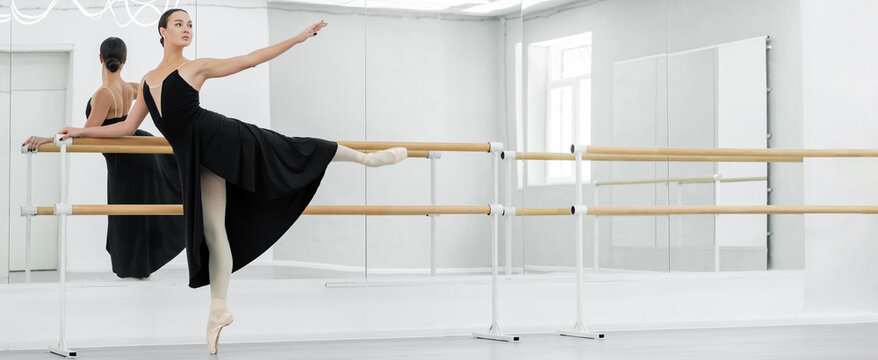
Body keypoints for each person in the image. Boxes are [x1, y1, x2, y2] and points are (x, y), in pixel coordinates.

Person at [56, 9, 407, 355]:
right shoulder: (146, 82)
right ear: (162, 31)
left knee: (289, 148)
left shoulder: (196, 67)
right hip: (197, 160)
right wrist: (81, 130)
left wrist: (297, 39)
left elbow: (250, 59)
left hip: (225, 139)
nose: (186, 29)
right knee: (212, 230)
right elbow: (127, 128)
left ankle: (367, 159)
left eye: (190, 24)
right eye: (178, 24)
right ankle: (218, 310)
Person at [23, 37, 184, 280]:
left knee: (127, 212)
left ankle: (135, 269)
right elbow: (153, 93)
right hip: (135, 153)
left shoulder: (104, 94)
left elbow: (84, 136)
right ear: (124, 61)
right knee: (134, 211)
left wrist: (48, 138)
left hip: (126, 159)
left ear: (100, 58)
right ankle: (139, 270)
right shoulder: (129, 88)